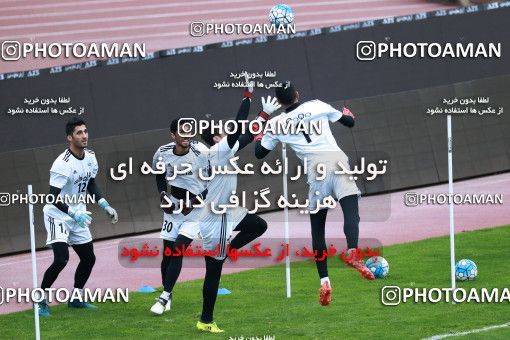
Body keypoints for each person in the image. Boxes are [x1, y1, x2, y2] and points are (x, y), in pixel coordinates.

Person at [254, 83, 374, 307]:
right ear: (297, 95)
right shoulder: (317, 105)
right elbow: (349, 122)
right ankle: (352, 251)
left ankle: (325, 281)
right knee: (351, 209)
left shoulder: (276, 123)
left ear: (279, 103)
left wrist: (260, 137)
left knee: (318, 228)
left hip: (316, 171)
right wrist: (348, 115)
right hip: (337, 160)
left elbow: (259, 153)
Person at [193, 82, 268, 333]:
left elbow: (246, 136)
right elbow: (238, 129)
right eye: (221, 132)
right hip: (216, 218)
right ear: (215, 138)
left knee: (259, 225)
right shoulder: (217, 152)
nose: (226, 133)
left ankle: (230, 250)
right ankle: (206, 320)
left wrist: (264, 115)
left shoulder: (222, 150)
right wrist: (247, 98)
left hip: (226, 211)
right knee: (213, 272)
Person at [38, 117, 118, 316]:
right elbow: (52, 197)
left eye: (85, 131)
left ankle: (75, 298)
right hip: (58, 215)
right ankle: (40, 300)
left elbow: (90, 182)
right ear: (69, 137)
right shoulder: (62, 164)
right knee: (61, 260)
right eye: (79, 133)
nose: (84, 136)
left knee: (89, 258)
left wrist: (104, 204)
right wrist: (73, 213)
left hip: (79, 214)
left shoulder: (90, 157)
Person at [150, 118, 210, 315]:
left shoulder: (201, 152)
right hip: (174, 208)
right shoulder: (163, 152)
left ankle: (163, 296)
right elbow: (159, 175)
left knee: (177, 250)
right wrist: (162, 196)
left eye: (189, 131)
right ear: (173, 135)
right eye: (182, 132)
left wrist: (193, 202)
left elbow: (214, 183)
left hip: (196, 209)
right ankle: (169, 293)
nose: (187, 135)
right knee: (168, 253)